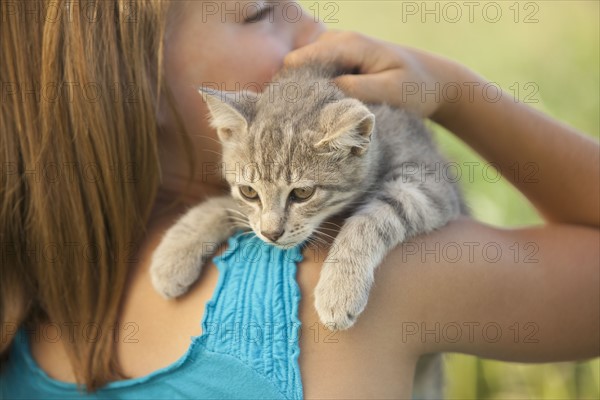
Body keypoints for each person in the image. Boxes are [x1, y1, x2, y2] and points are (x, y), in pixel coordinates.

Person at [1, 1, 598, 398]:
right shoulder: (392, 277)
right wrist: (453, 89)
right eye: (263, 10)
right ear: (135, 77)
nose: (314, 25)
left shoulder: (26, 289)